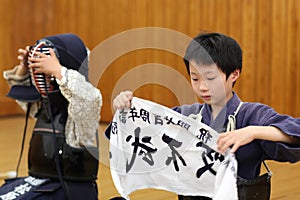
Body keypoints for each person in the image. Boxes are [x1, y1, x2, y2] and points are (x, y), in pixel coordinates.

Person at [108, 32, 300, 199]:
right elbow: (137, 133)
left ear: (234, 74)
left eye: (210, 78)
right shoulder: (186, 116)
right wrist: (126, 108)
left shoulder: (252, 115)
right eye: (195, 78)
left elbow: (295, 132)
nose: (202, 87)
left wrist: (252, 132)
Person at [1, 33, 102, 199]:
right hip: (42, 183)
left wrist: (57, 70)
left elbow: (90, 97)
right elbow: (24, 98)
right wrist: (24, 69)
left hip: (69, 190)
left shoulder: (82, 116)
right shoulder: (47, 107)